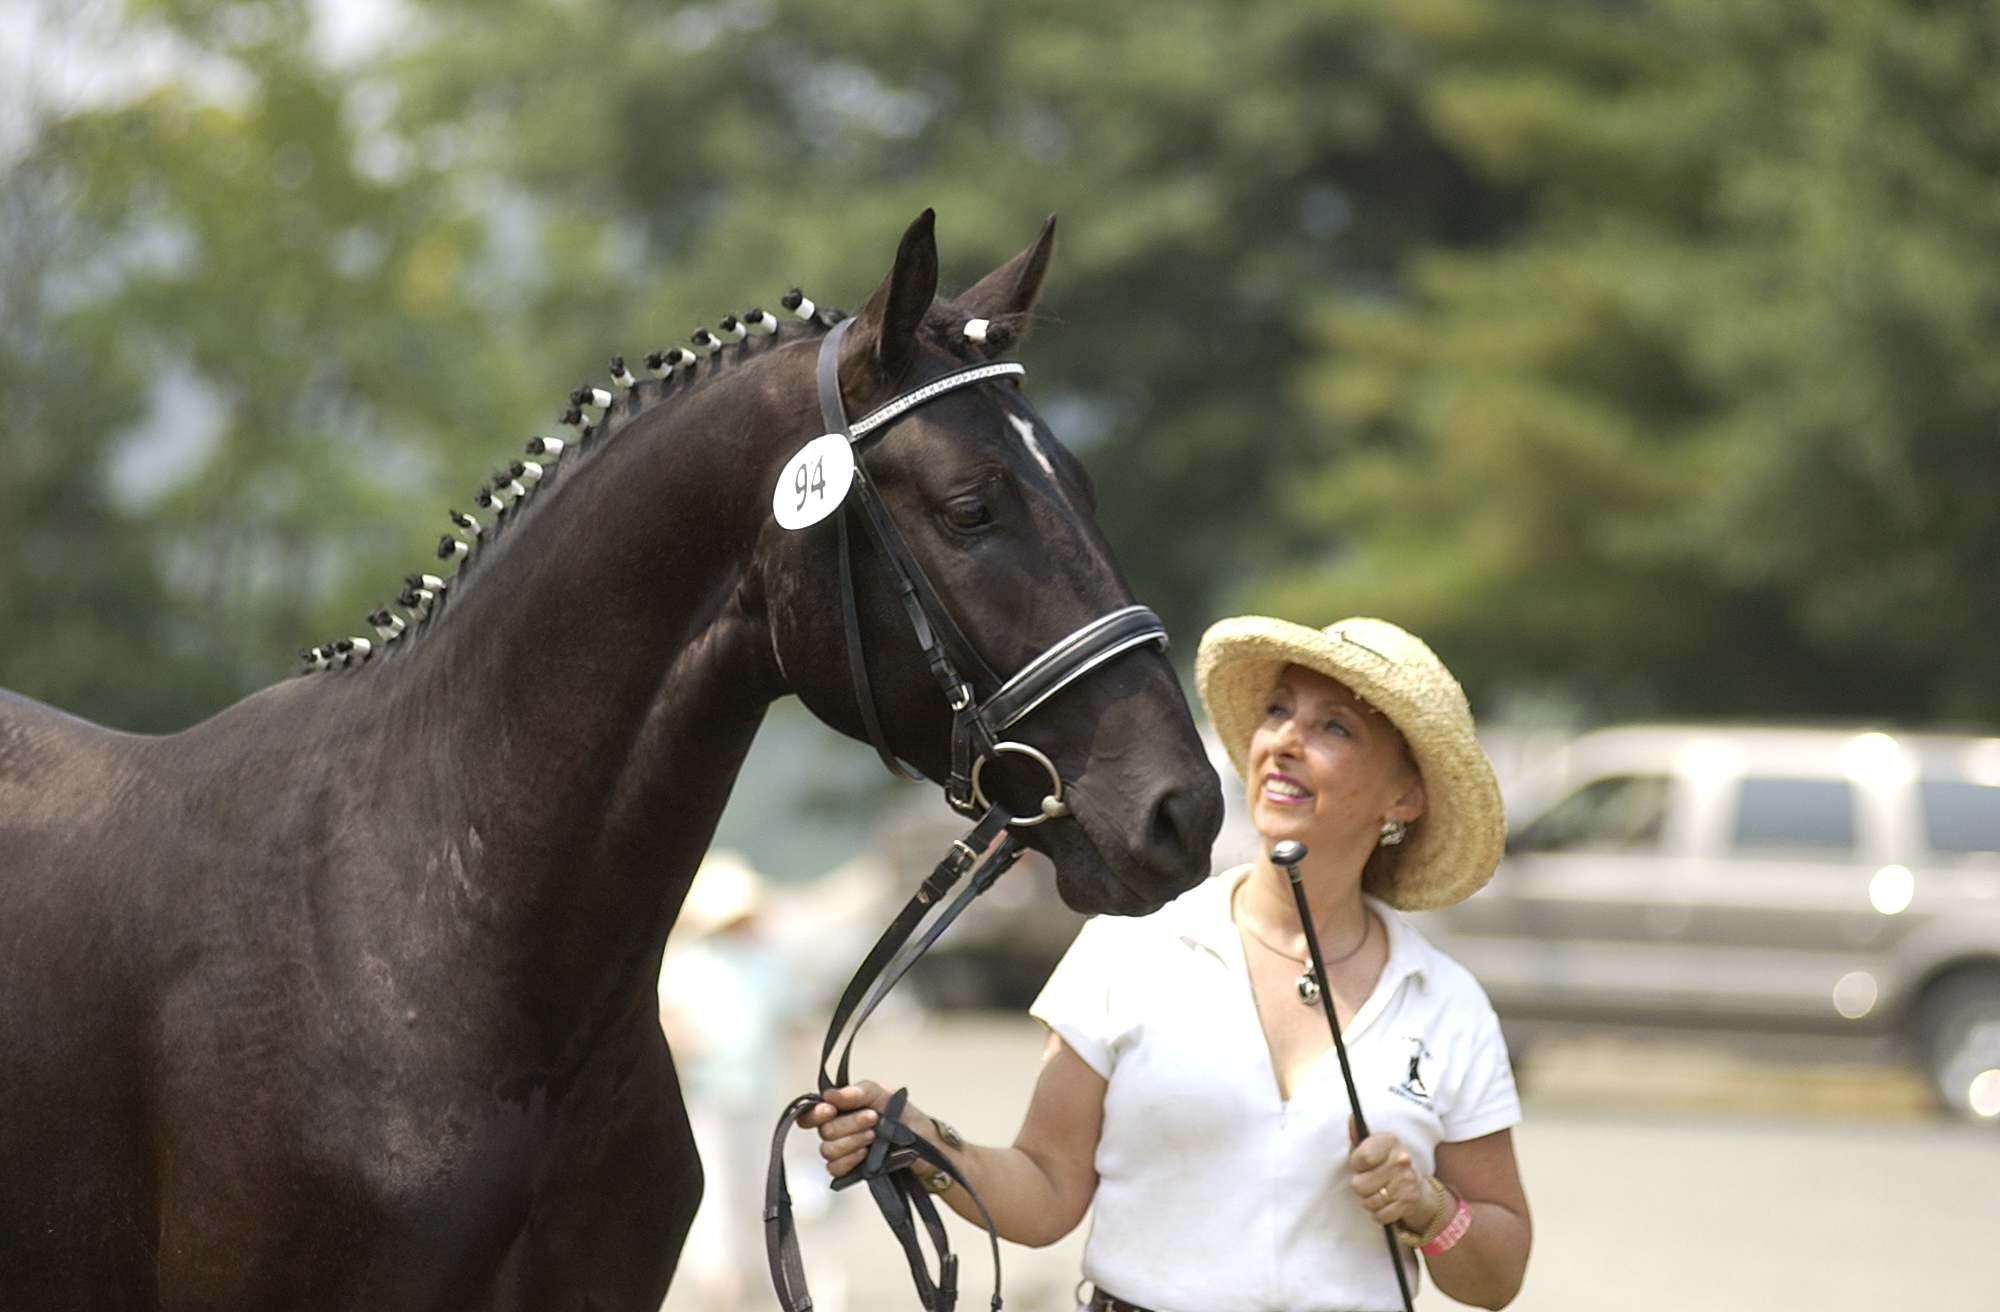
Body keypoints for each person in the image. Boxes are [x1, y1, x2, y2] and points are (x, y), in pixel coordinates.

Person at [801, 616, 1533, 1312]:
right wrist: (923, 1139)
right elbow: (1047, 1190)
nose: (1282, 741)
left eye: (1333, 727)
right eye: (1279, 710)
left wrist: (1429, 1206)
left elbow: (1498, 1275)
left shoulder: (1446, 1001)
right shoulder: (1131, 945)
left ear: (1404, 795)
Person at [660, 851, 797, 1309]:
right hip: (708, 1090)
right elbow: (668, 1019)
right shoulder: (690, 960)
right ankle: (721, 1276)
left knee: (759, 1183)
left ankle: (756, 1269)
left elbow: (788, 1021)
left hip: (758, 1088)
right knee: (717, 1185)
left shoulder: (766, 961)